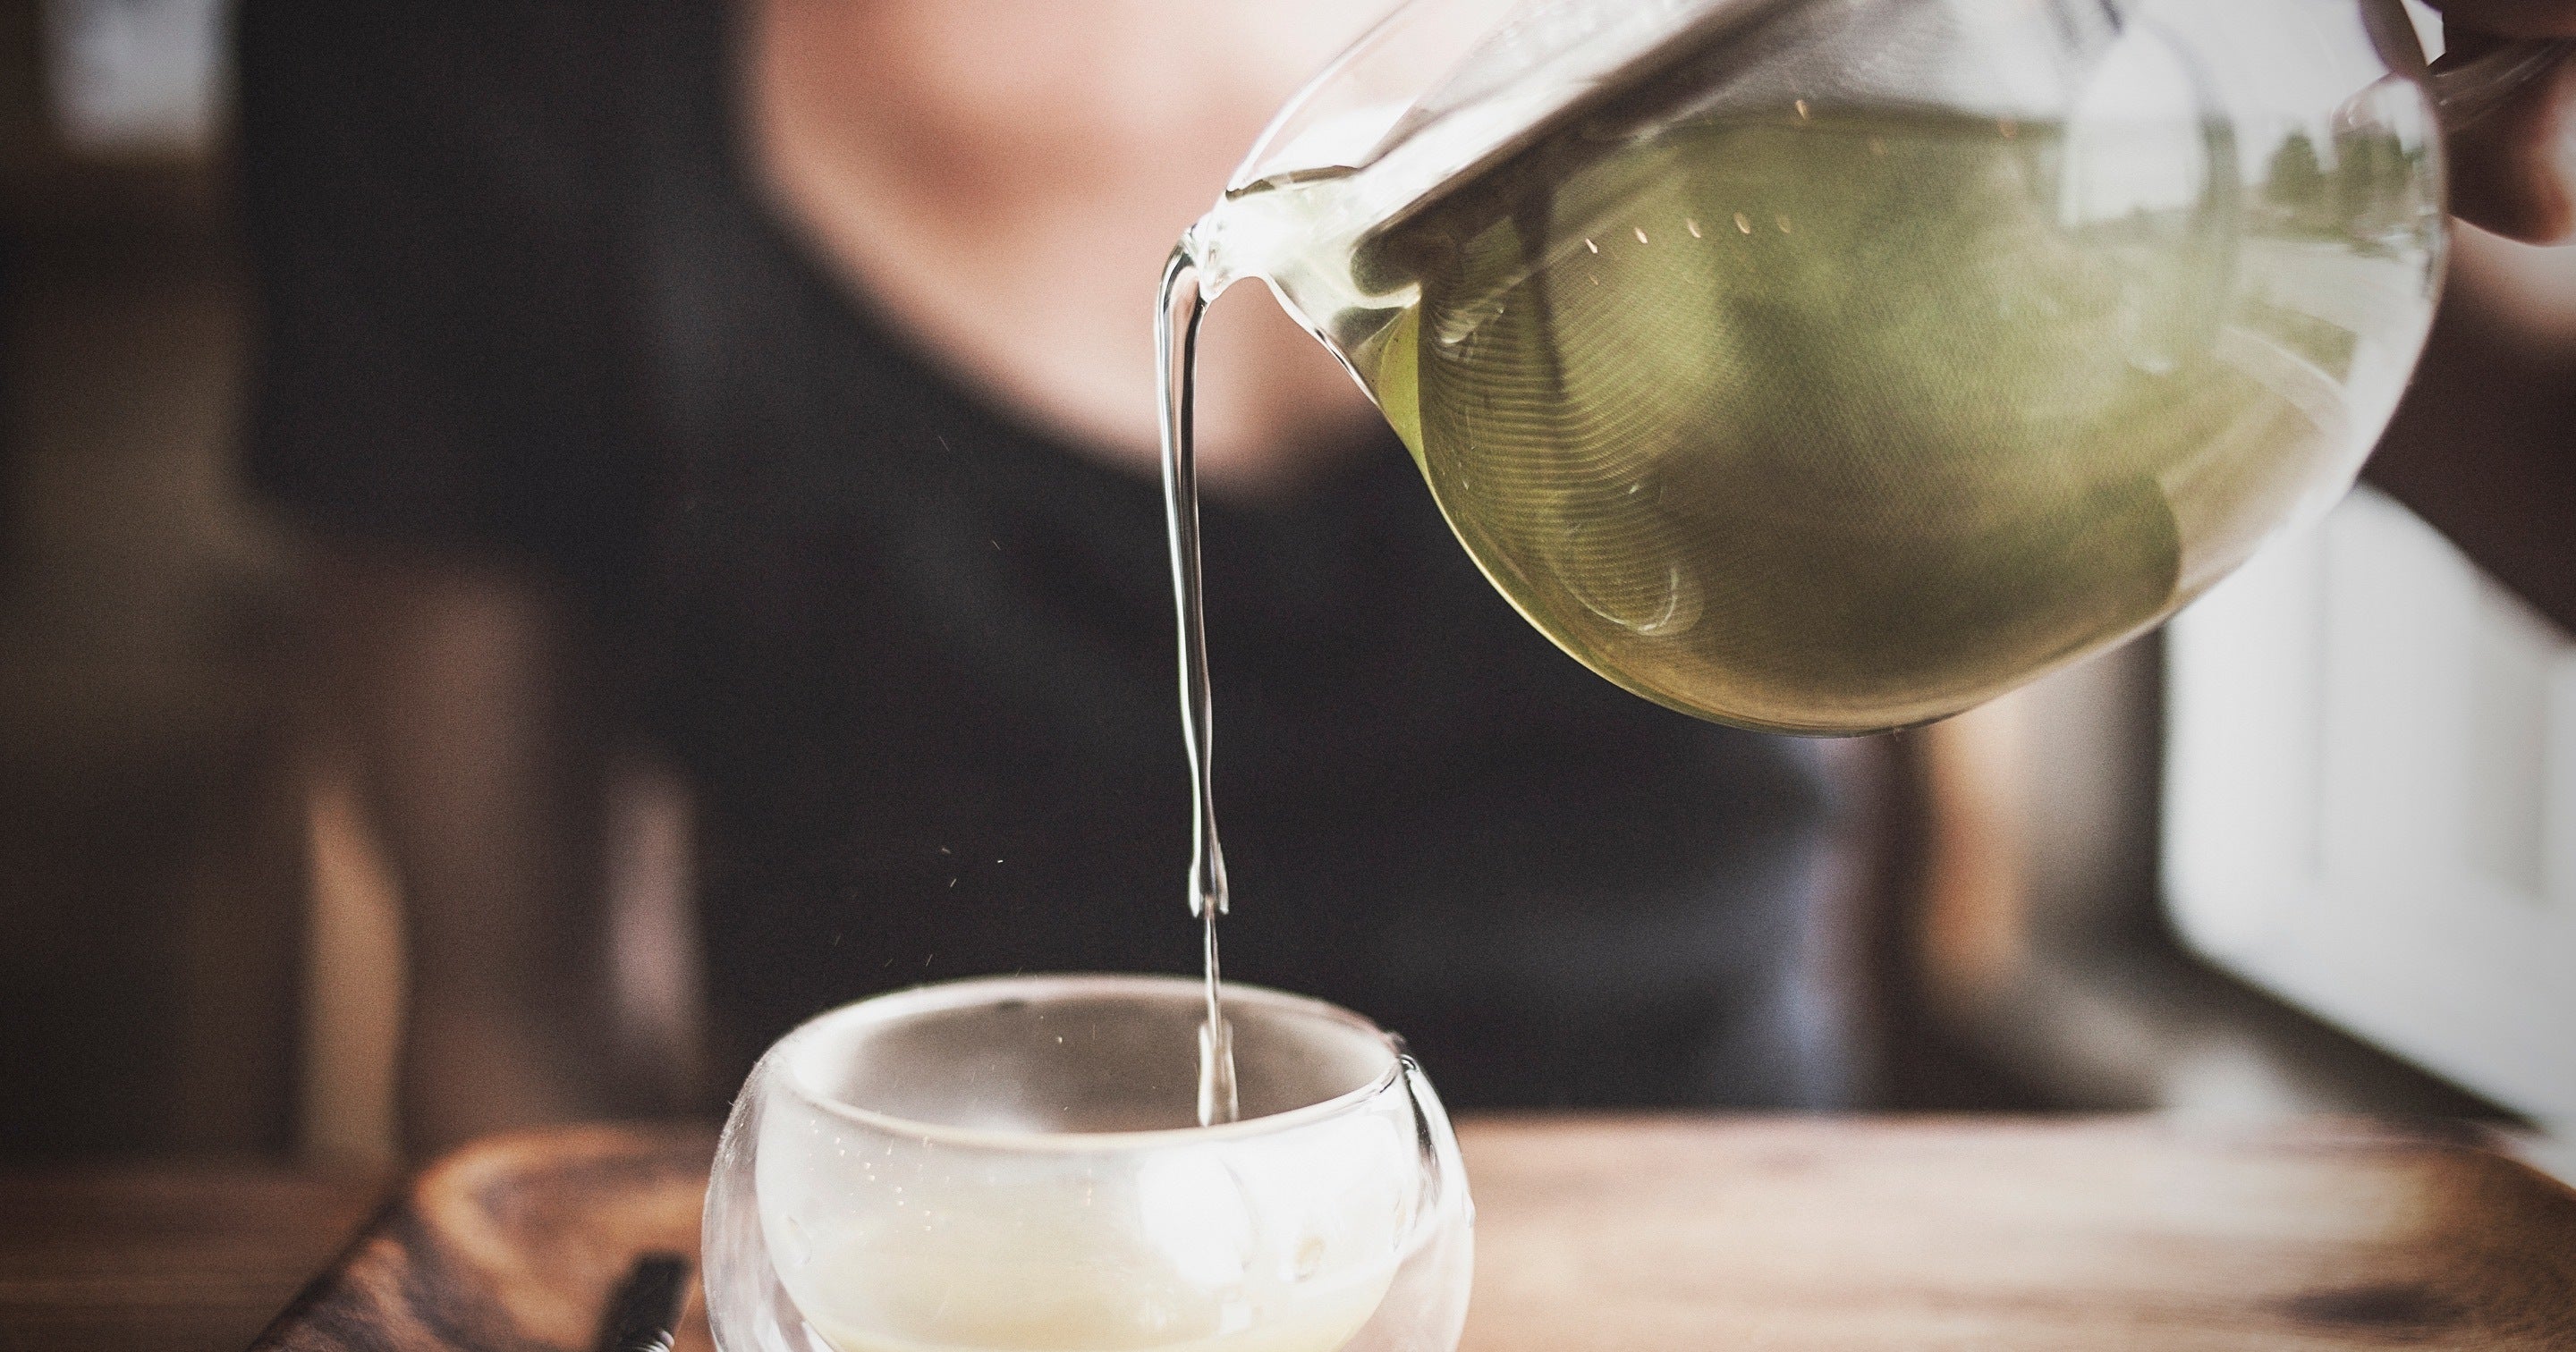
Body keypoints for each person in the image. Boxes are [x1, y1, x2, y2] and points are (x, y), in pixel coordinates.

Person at [236, 0, 2576, 1153]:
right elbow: (514, 1012)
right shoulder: (468, 58)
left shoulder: (1876, 44)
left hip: (1734, 1264)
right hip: (951, 1269)